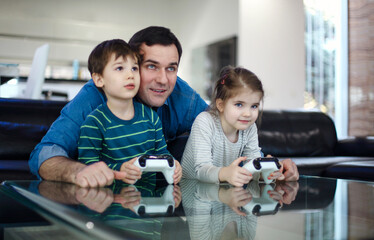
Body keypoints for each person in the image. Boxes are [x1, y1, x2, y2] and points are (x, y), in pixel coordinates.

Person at [29, 26, 298, 187]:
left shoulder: (182, 95)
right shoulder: (95, 96)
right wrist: (79, 171)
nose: (163, 79)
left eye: (171, 68)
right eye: (151, 67)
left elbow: (229, 130)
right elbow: (43, 153)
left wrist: (269, 166)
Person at [78, 39, 175, 184]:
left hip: (149, 201)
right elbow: (88, 168)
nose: (130, 75)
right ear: (99, 79)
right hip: (110, 202)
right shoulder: (94, 124)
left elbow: (163, 155)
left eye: (134, 68)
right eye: (119, 68)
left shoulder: (151, 117)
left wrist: (173, 164)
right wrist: (119, 169)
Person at [182, 66, 298, 187]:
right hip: (192, 191)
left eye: (254, 106)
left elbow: (253, 165)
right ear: (221, 105)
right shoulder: (205, 122)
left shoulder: (250, 127)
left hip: (223, 192)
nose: (247, 114)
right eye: (239, 104)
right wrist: (225, 173)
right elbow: (201, 170)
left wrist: (266, 172)